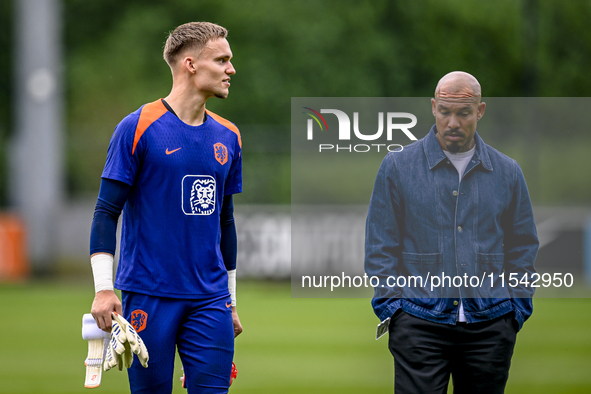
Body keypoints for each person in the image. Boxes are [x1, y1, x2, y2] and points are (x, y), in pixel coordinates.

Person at [89, 21, 243, 393]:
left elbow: (226, 221)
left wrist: (232, 301)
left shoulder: (229, 135)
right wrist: (104, 289)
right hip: (149, 294)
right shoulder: (137, 126)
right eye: (222, 60)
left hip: (210, 299)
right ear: (191, 64)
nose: (231, 70)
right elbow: (106, 211)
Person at [365, 71, 538, 393]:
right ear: (433, 107)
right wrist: (395, 311)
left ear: (480, 111)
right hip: (417, 322)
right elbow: (380, 247)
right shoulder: (397, 167)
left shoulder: (508, 172)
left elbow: (523, 247)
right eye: (445, 111)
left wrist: (516, 310)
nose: (453, 122)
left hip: (492, 323)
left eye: (463, 112)